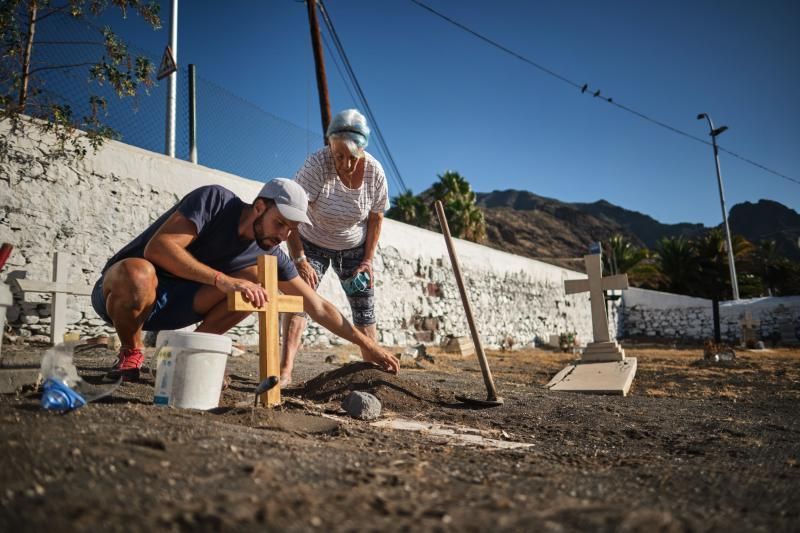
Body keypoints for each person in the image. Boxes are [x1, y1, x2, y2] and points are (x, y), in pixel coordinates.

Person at [91, 178, 400, 381]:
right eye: (279, 223)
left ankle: (192, 355)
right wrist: (222, 281)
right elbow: (158, 248)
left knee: (259, 282)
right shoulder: (214, 201)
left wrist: (368, 345)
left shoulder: (271, 255)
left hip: (178, 308)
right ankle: (131, 353)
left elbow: (317, 306)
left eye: (290, 230)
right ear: (260, 206)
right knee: (138, 273)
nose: (283, 236)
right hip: (123, 297)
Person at [281, 109, 388, 388]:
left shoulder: (375, 172)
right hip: (311, 241)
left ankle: (370, 374)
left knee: (364, 308)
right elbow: (291, 214)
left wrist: (367, 260)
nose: (345, 164)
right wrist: (299, 258)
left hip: (353, 247)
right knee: (298, 301)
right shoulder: (316, 165)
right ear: (330, 146)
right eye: (338, 155)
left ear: (363, 150)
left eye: (352, 158)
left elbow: (376, 218)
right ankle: (284, 373)